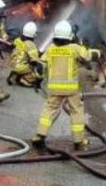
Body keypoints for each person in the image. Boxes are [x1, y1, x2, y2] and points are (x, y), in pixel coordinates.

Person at [32, 20, 100, 151]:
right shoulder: (75, 49)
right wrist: (97, 53)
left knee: (49, 111)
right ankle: (79, 141)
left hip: (53, 89)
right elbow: (87, 56)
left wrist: (37, 80)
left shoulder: (50, 49)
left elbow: (41, 66)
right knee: (76, 112)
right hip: (71, 90)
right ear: (69, 35)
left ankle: (39, 135)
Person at [7, 21, 42, 88]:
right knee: (35, 73)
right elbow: (35, 59)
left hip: (12, 64)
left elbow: (22, 50)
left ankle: (15, 74)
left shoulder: (17, 40)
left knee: (24, 60)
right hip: (21, 66)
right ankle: (22, 80)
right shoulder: (31, 44)